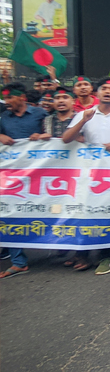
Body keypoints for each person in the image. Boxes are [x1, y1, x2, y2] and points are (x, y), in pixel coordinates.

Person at [61, 78, 110, 274]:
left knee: (109, 212)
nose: (108, 92)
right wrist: (83, 121)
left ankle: (107, 256)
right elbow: (66, 139)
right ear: (98, 92)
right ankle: (83, 253)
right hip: (89, 173)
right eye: (104, 88)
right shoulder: (84, 114)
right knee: (86, 211)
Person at [0, 83, 48, 279]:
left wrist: (43, 136)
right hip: (12, 177)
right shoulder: (3, 118)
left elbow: (53, 136)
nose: (7, 102)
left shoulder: (40, 114)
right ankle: (18, 261)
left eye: (10, 97)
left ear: (21, 98)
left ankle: (63, 247)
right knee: (10, 213)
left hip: (42, 174)